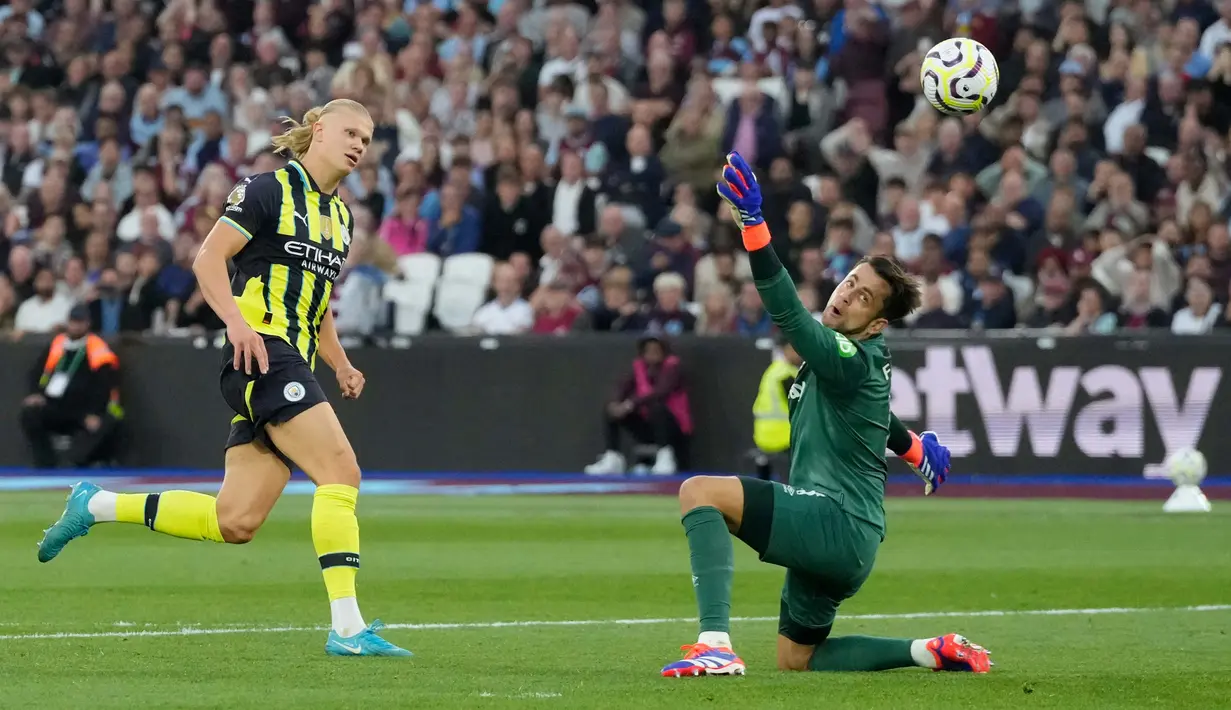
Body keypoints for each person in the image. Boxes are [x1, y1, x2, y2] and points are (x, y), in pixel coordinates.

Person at [35, 99, 412, 658]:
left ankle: (95, 505)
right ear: (318, 130)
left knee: (235, 520)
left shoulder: (341, 217)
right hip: (262, 355)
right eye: (351, 132)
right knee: (341, 471)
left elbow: (319, 304)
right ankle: (349, 628)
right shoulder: (265, 190)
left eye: (368, 136)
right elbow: (209, 259)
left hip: (290, 360)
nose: (360, 144)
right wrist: (236, 324)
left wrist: (340, 364)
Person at [661, 153, 988, 678]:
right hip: (852, 541)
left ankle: (715, 645)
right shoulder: (863, 361)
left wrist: (754, 226)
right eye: (850, 282)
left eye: (863, 298)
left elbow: (789, 313)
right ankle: (930, 649)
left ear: (877, 323)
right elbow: (873, 417)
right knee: (799, 661)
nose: (847, 296)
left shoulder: (846, 356)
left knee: (699, 493)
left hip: (833, 520)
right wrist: (912, 448)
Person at [20, 305, 123, 469]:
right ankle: (45, 464)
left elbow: (105, 384)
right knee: (30, 414)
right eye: (73, 321)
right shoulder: (58, 343)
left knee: (106, 423)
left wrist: (94, 412)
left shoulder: (96, 347)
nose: (76, 326)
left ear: (88, 324)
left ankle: (74, 463)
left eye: (80, 322)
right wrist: (35, 393)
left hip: (83, 409)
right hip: (55, 406)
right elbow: (37, 371)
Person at [584, 335, 691, 475]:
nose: (652, 354)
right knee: (610, 410)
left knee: (657, 408)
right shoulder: (638, 367)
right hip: (647, 427)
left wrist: (630, 404)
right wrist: (615, 403)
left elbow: (660, 392)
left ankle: (665, 456)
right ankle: (613, 456)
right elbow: (622, 387)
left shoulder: (673, 367)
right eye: (648, 350)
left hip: (673, 426)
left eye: (656, 350)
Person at [750, 337, 801, 481]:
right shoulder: (786, 374)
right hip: (783, 436)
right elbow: (799, 405)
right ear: (786, 350)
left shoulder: (773, 371)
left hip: (763, 436)